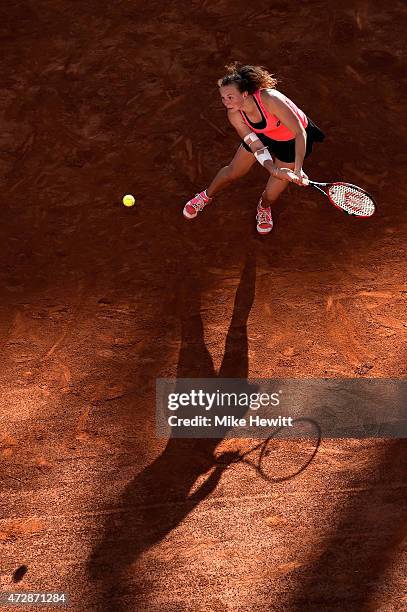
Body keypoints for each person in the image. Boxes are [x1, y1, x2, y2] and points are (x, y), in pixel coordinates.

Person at [182, 62, 325, 234]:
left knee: (271, 194)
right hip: (263, 133)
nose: (226, 102)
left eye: (230, 97)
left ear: (244, 94)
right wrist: (272, 168)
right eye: (223, 98)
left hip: (291, 140)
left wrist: (298, 169)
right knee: (233, 171)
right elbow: (256, 145)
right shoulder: (234, 114)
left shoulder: (271, 100)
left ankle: (263, 207)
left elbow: (299, 132)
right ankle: (205, 196)